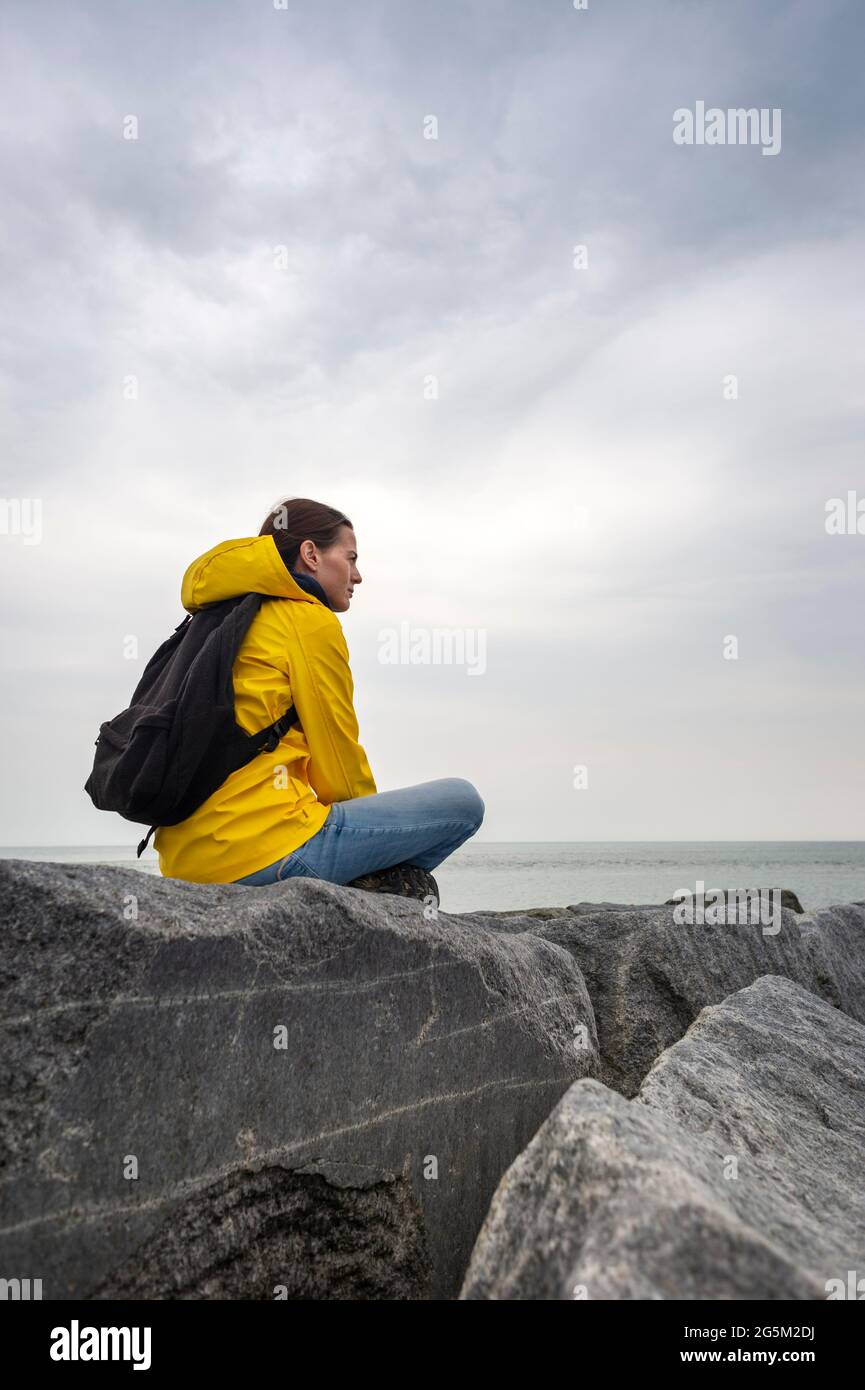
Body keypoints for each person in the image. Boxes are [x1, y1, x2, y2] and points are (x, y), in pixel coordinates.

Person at [154, 497, 485, 900]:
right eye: (351, 557)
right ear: (311, 554)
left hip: (184, 863)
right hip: (264, 853)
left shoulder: (219, 616)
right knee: (465, 802)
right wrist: (373, 850)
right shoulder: (307, 619)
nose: (358, 575)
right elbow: (338, 760)